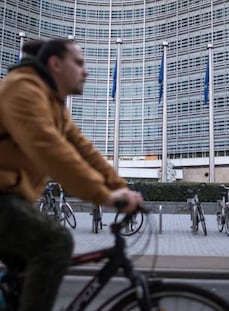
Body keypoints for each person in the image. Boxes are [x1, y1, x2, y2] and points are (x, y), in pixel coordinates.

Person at [0, 38, 144, 311]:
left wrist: (121, 187)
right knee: (55, 243)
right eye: (78, 62)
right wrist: (104, 195)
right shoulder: (22, 90)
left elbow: (83, 149)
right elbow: (51, 150)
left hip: (10, 198)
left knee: (24, 276)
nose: (86, 71)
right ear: (55, 64)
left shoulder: (53, 104)